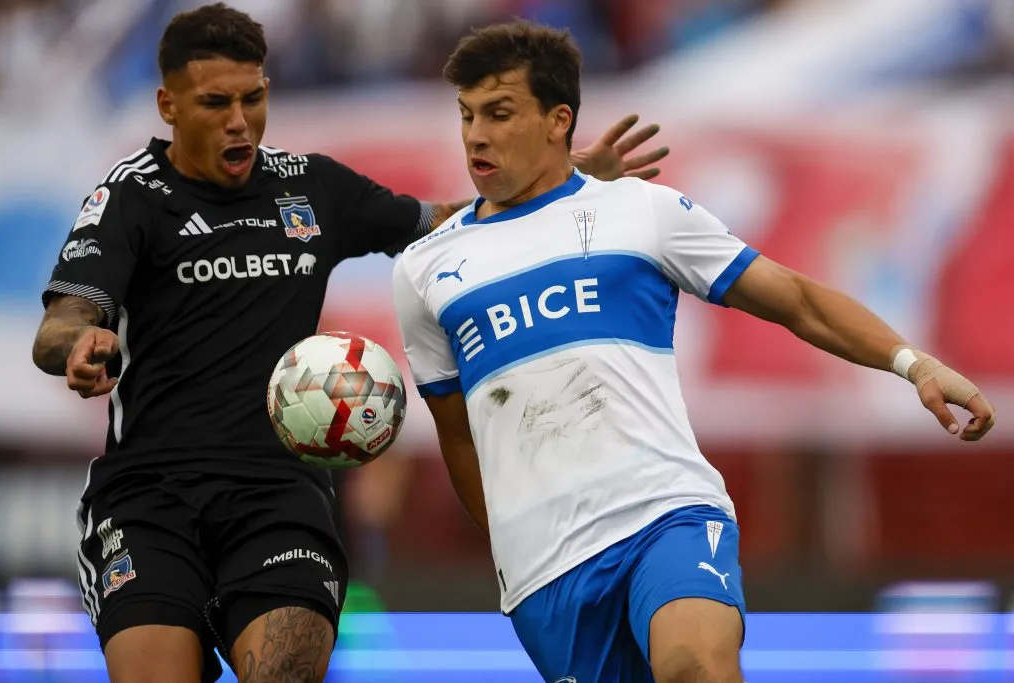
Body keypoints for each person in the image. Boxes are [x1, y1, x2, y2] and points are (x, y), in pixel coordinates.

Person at [29, 4, 670, 682]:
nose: (239, 120)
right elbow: (63, 319)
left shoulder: (311, 188)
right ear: (169, 104)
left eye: (253, 99)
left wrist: (556, 187)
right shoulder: (131, 195)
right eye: (215, 103)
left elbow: (450, 222)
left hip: (275, 497)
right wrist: (77, 343)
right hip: (149, 497)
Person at [391, 20, 997, 683]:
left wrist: (915, 363)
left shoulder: (642, 212)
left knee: (696, 664)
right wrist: (511, 541)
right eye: (467, 115)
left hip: (665, 512)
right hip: (547, 571)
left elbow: (795, 297)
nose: (475, 134)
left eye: (499, 113)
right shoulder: (425, 269)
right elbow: (458, 436)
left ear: (557, 120)